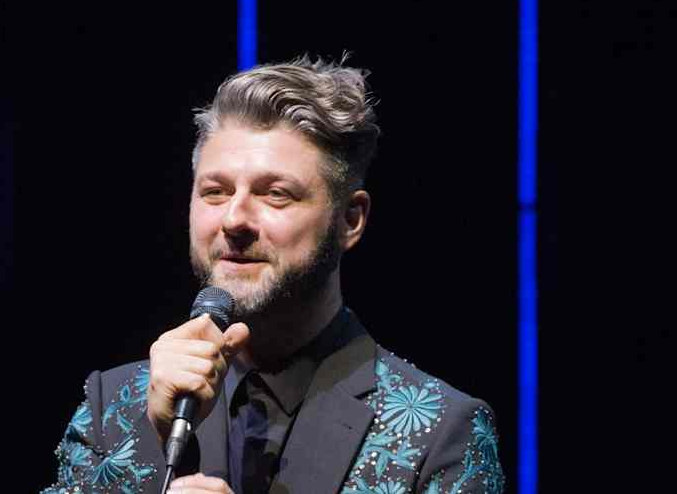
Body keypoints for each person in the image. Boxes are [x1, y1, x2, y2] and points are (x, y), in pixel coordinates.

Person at [41, 56, 505, 494]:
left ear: (350, 220)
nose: (234, 220)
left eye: (275, 194)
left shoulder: (438, 430)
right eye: (215, 191)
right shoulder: (114, 406)